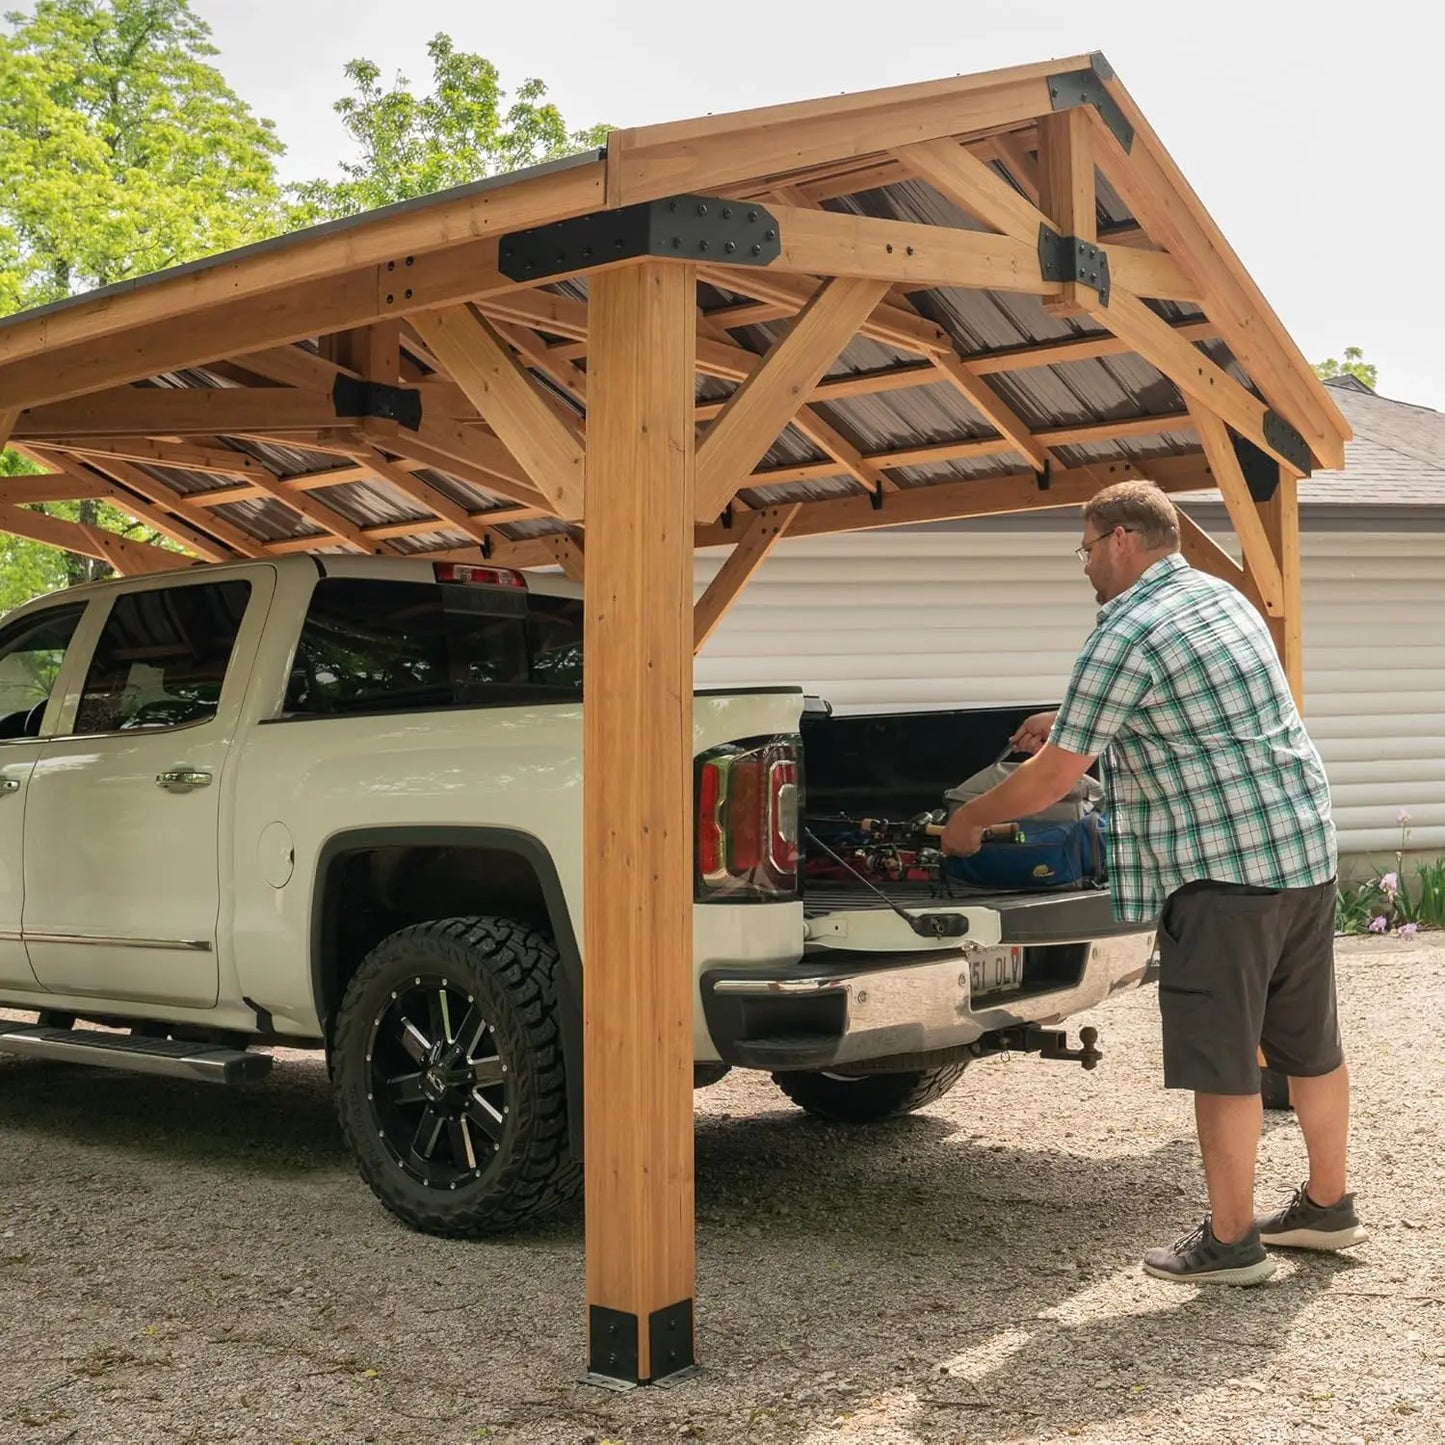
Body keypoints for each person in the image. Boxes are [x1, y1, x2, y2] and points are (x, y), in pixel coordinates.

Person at [940, 480, 1365, 1286]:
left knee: (1222, 1060)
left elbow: (1049, 780)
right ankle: (1326, 1204)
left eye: (1085, 549)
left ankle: (1231, 1243)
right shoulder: (1218, 597)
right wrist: (1066, 711)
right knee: (1309, 1044)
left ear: (1120, 540)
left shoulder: (1124, 629)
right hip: (1300, 850)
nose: (1085, 565)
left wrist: (967, 826)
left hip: (1221, 874)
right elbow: (1186, 698)